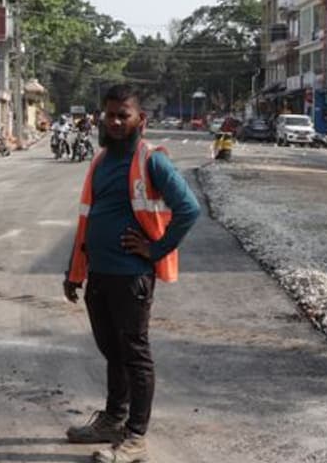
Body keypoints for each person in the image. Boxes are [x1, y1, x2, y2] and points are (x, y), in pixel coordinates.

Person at [63, 84, 200, 463]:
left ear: (141, 119)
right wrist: (74, 272)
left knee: (134, 353)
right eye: (111, 115)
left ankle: (135, 437)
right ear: (101, 117)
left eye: (124, 115)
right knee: (113, 351)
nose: (117, 121)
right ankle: (113, 419)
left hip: (131, 276)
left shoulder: (151, 159)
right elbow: (87, 219)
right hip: (100, 274)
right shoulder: (101, 159)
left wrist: (155, 250)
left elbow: (189, 209)